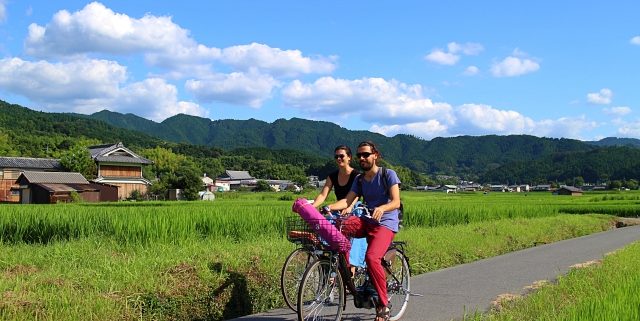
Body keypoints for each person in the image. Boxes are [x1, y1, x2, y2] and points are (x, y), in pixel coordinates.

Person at [325, 141, 401, 321]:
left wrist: (383, 208)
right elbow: (347, 201)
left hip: (386, 223)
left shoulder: (387, 174)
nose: (362, 158)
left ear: (375, 155)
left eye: (366, 154)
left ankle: (383, 305)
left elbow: (396, 201)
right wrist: (329, 207)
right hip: (367, 220)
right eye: (359, 155)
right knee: (339, 225)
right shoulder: (359, 180)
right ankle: (345, 272)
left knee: (372, 257)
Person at [312, 145, 367, 271]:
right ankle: (331, 265)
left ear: (349, 158)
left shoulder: (357, 175)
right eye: (336, 156)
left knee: (352, 239)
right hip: (338, 208)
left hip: (354, 208)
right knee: (326, 231)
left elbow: (356, 195)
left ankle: (351, 270)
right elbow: (322, 194)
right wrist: (311, 207)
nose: (338, 159)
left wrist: (350, 206)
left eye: (341, 156)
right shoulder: (332, 176)